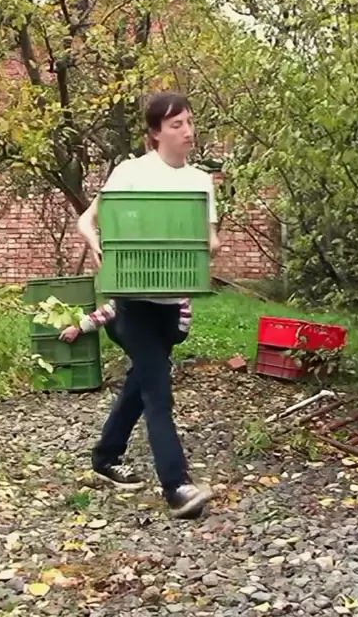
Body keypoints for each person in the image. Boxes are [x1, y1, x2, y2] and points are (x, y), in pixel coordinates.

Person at [74, 90, 220, 519]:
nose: (188, 131)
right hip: (131, 301)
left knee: (142, 379)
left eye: (190, 122)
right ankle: (176, 485)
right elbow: (89, 219)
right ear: (155, 133)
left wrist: (210, 246)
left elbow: (209, 237)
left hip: (171, 301)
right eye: (177, 124)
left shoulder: (199, 181)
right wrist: (95, 242)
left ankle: (105, 457)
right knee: (159, 390)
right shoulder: (131, 172)